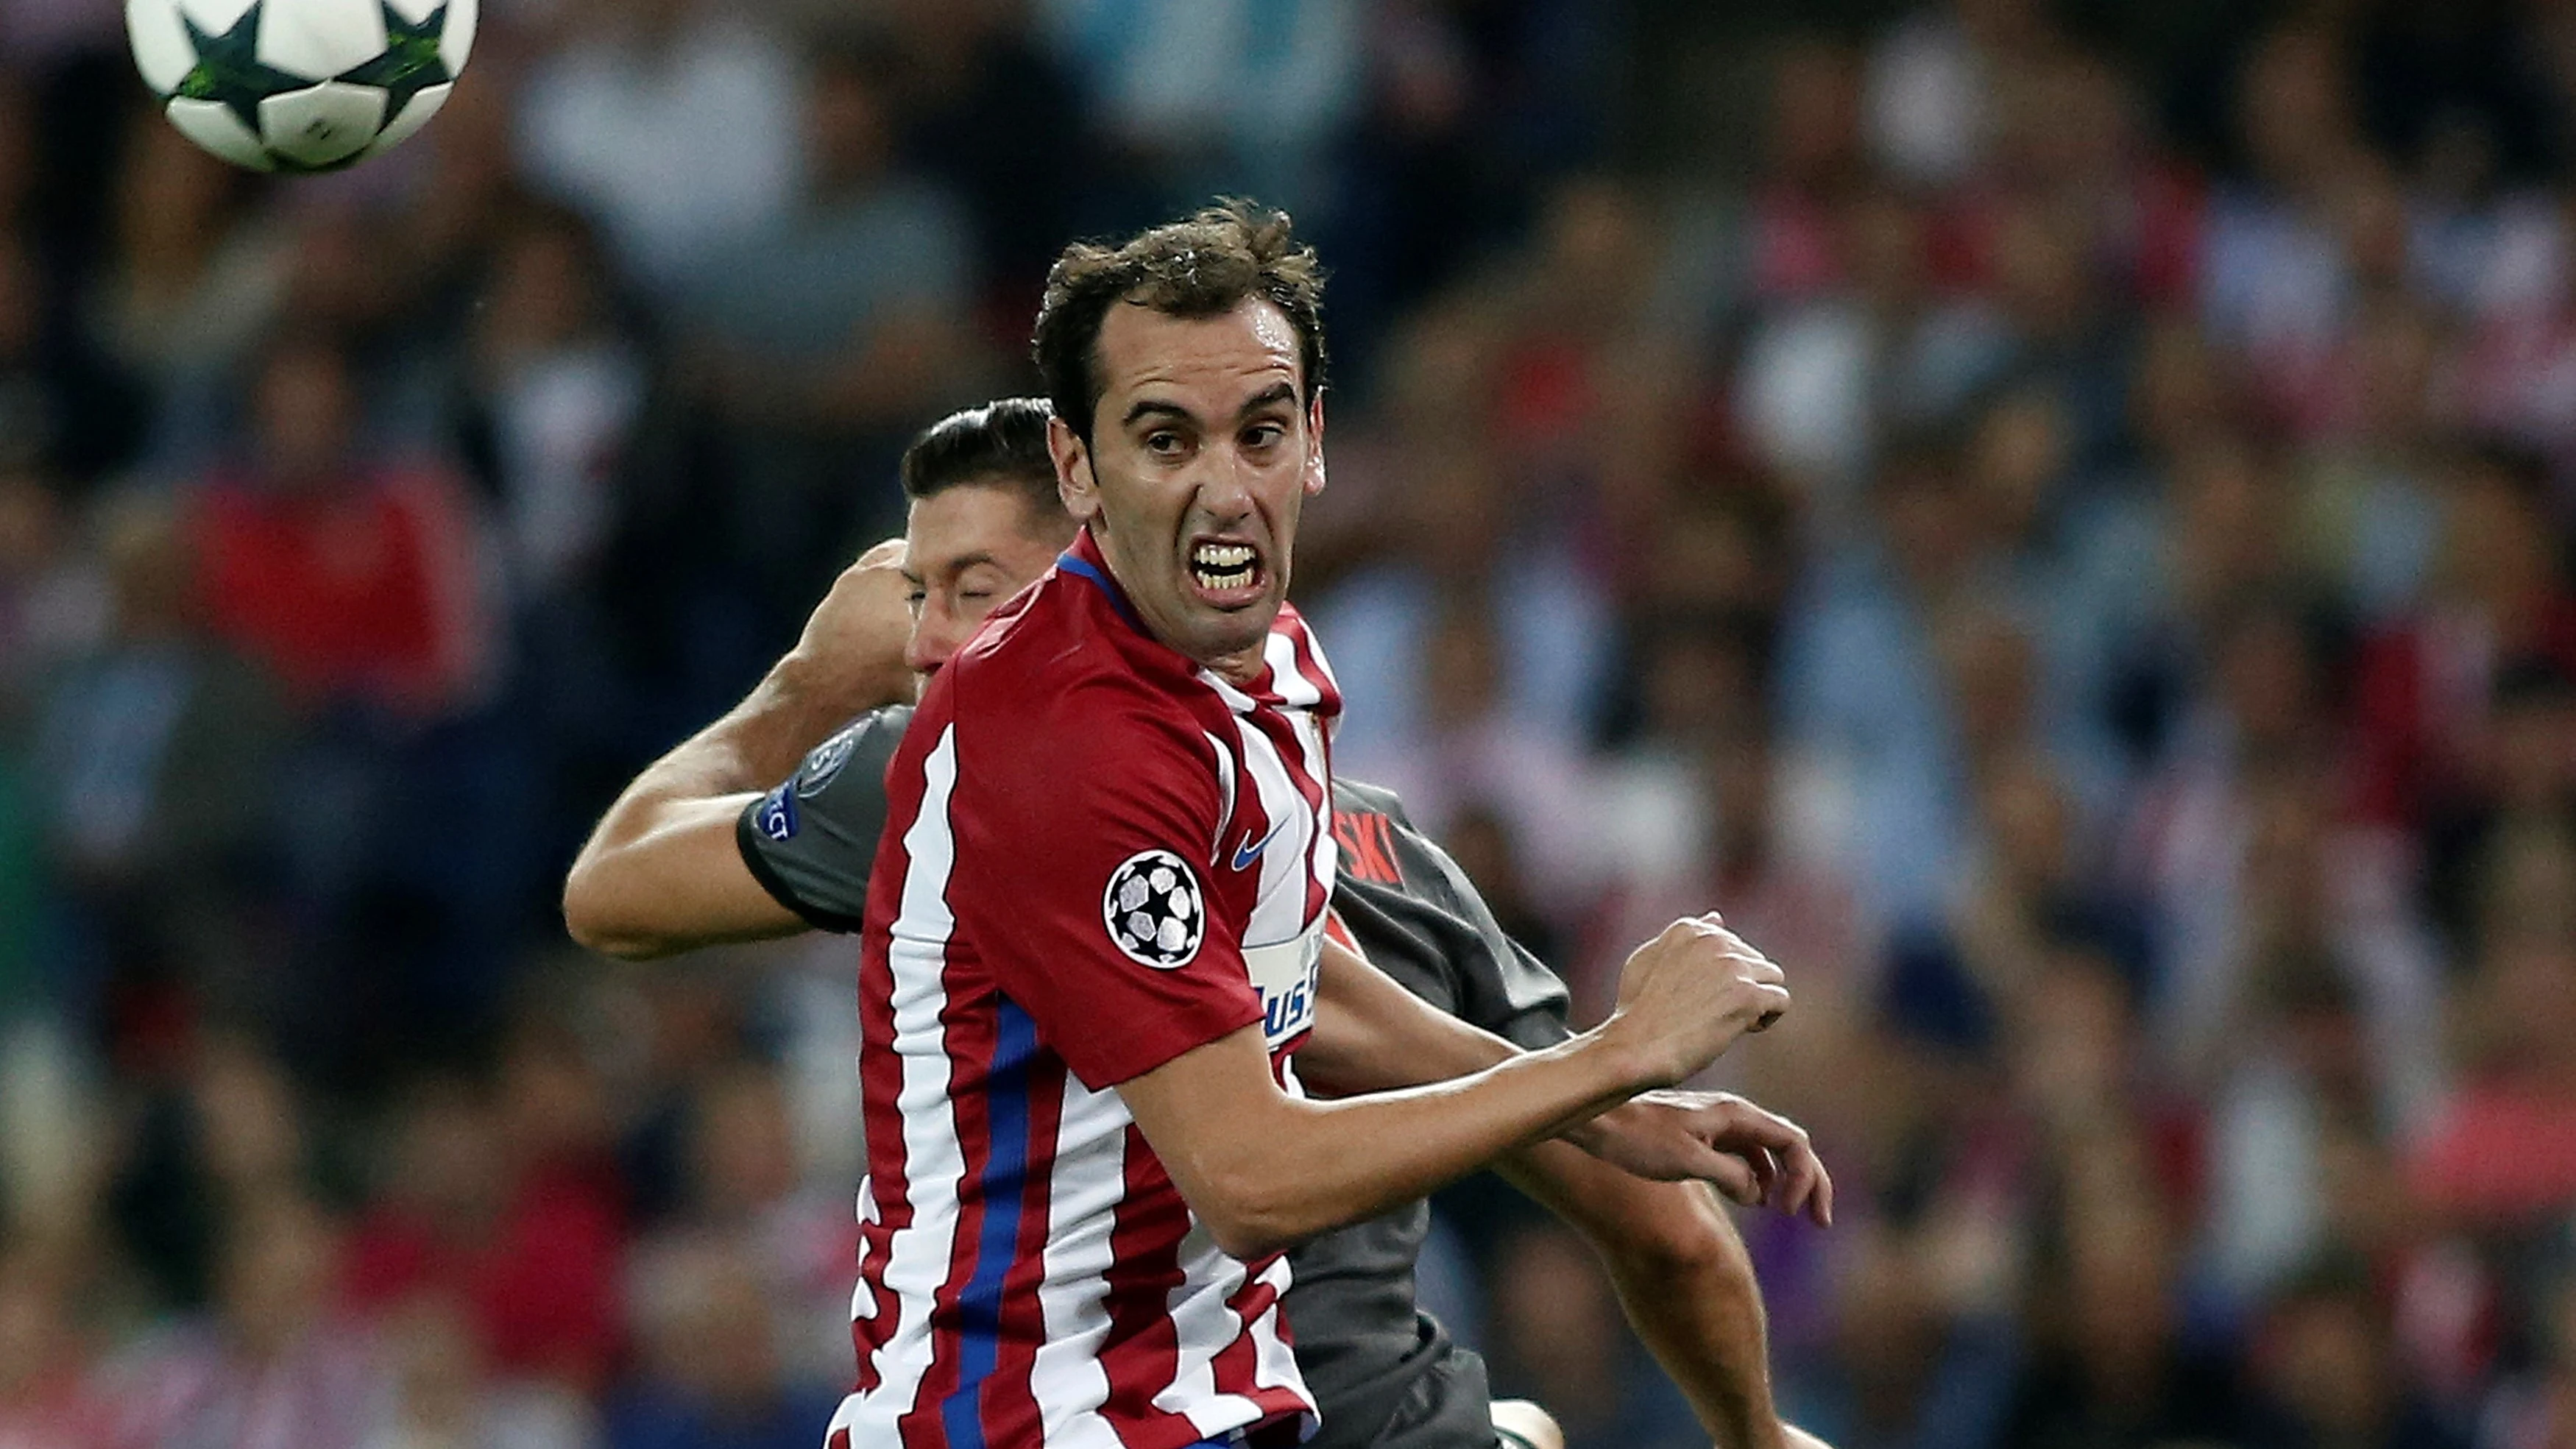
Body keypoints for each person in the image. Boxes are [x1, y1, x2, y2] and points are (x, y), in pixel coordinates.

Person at [566, 203, 1801, 1448]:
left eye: (1259, 432)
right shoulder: (1049, 745)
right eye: (1166, 439)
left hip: (1209, 1406)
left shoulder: (1258, 674)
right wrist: (1611, 1059)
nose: (1224, 487)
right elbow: (1250, 1179)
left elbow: (1307, 981)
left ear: (1315, 441)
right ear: (1080, 468)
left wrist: (1621, 1118)